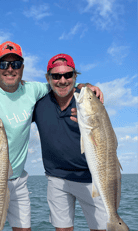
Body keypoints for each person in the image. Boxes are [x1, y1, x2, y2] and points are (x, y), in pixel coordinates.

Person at [0, 42, 102, 231]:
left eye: (16, 64)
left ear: (22, 68)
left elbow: (61, 82)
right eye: (4, 64)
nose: (10, 69)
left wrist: (87, 86)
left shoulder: (33, 90)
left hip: (19, 179)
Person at [32, 53, 107, 231]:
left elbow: (106, 139)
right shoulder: (39, 104)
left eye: (68, 75)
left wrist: (86, 86)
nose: (62, 80)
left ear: (75, 76)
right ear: (48, 78)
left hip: (91, 177)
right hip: (56, 178)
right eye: (56, 76)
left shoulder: (88, 99)